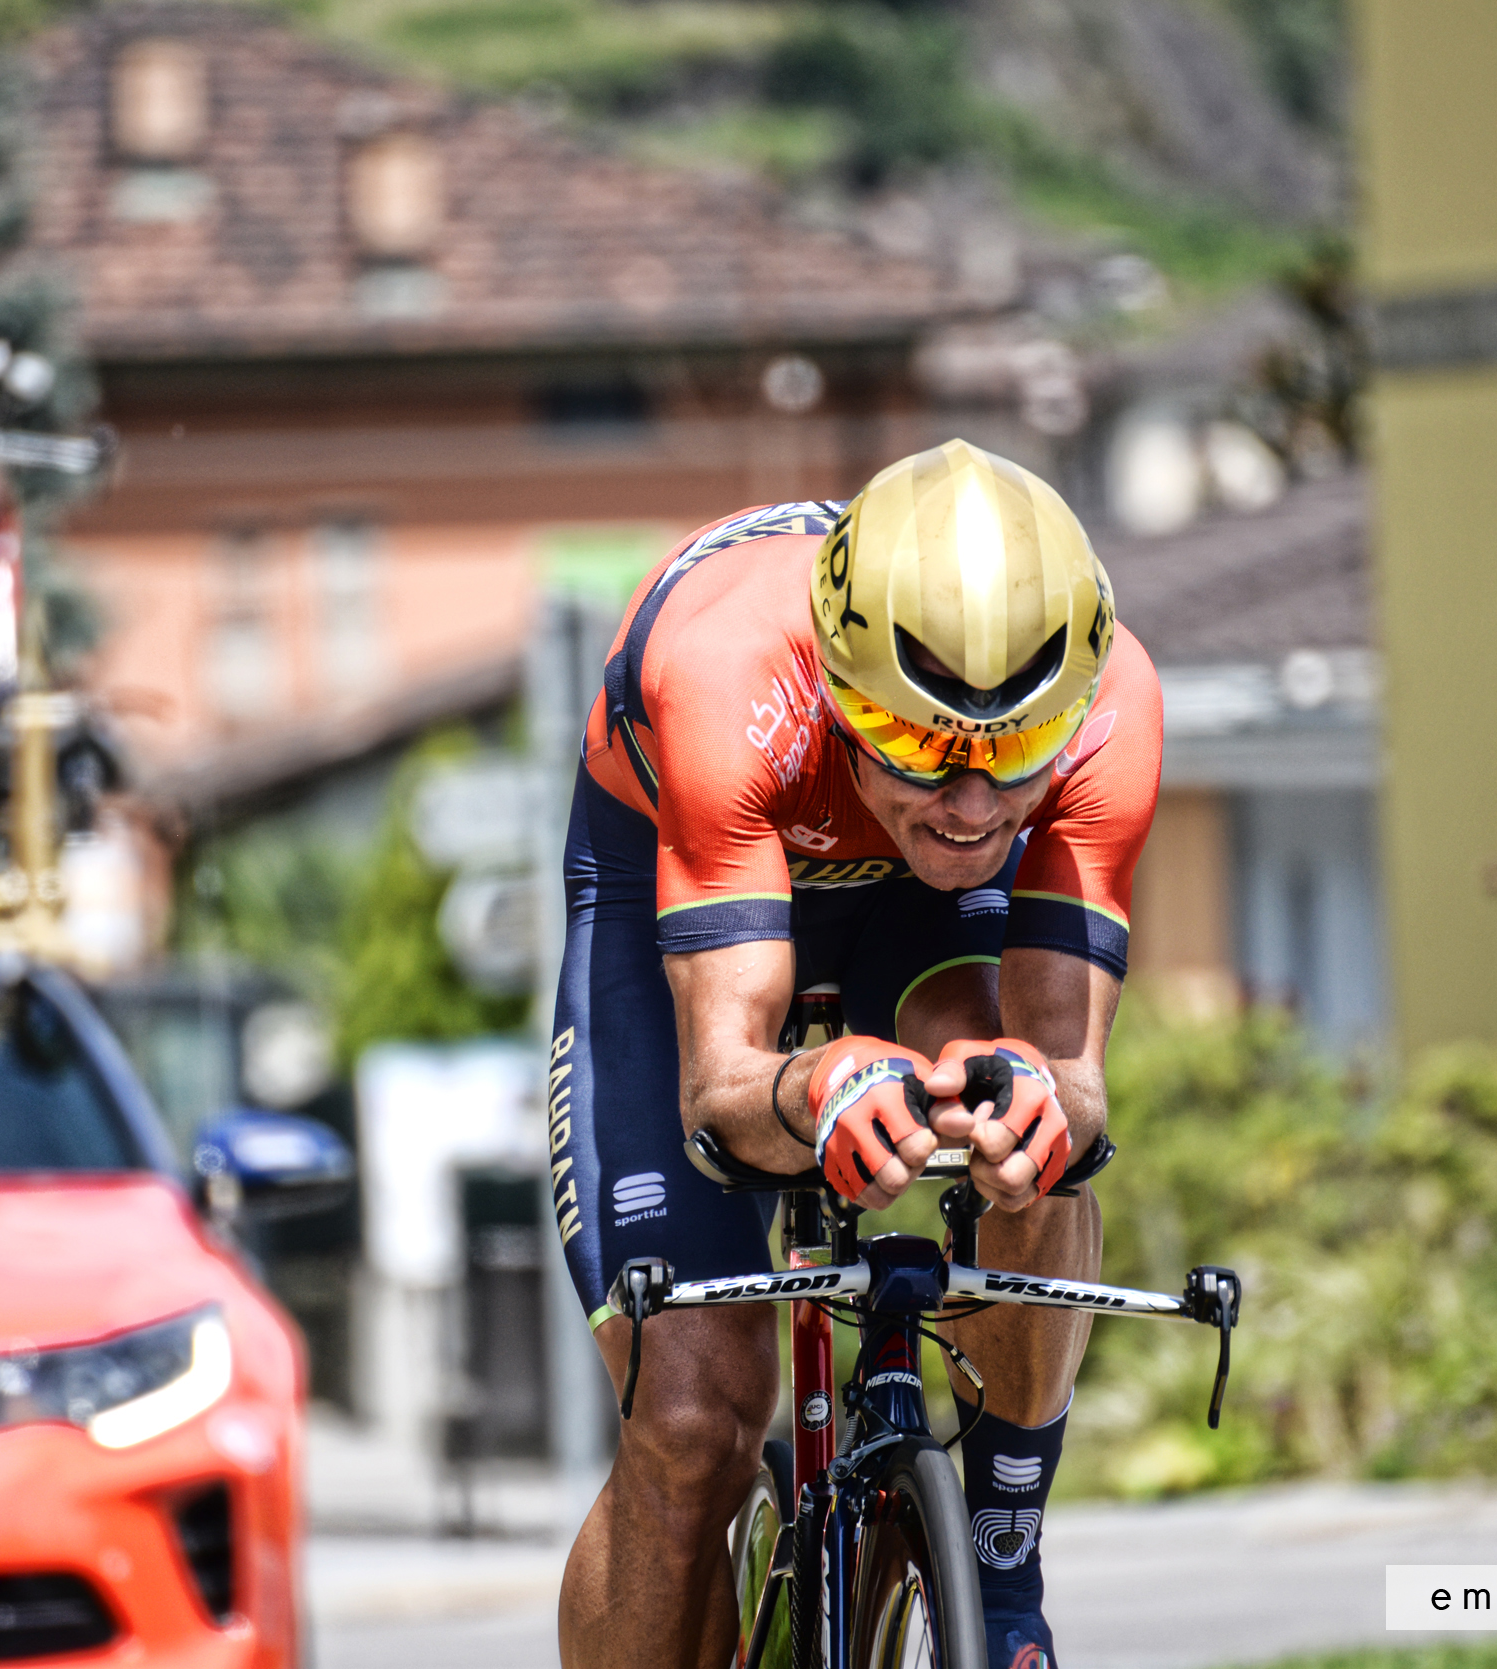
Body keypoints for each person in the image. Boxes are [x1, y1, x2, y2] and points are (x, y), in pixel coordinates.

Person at [549, 439, 1162, 1669]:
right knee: (692, 1419)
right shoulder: (729, 669)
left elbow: (1072, 1077)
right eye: (913, 737)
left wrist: (1040, 1105)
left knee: (1028, 1133)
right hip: (683, 851)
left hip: (922, 920)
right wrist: (814, 1084)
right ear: (839, 686)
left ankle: (1001, 1573)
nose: (971, 802)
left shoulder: (1114, 711)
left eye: (1017, 748)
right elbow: (723, 1085)